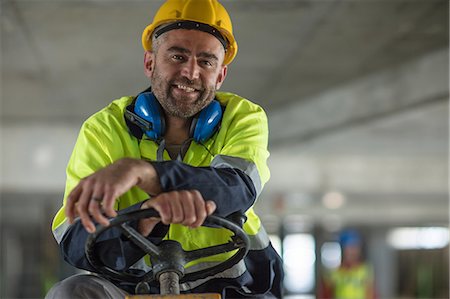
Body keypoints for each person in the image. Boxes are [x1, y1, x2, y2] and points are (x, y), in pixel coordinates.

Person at [45, 0, 284, 298]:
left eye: (206, 61)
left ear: (220, 75)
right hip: (133, 286)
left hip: (235, 284)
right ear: (150, 63)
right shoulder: (104, 129)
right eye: (178, 56)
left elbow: (237, 187)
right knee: (71, 293)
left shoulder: (244, 117)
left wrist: (144, 174)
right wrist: (149, 214)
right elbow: (77, 243)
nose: (191, 72)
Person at [318, 229, 376, 299]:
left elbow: (372, 294)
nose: (352, 251)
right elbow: (325, 294)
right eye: (349, 247)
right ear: (343, 249)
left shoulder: (365, 270)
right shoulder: (333, 272)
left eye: (355, 247)